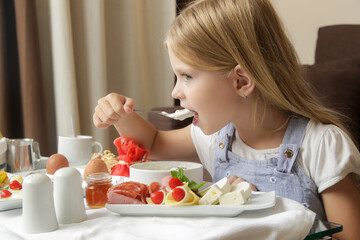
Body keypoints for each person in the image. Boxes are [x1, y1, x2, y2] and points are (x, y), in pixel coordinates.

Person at [93, 0, 360, 238]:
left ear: (241, 81)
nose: (176, 92)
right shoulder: (216, 137)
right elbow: (154, 142)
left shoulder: (321, 146)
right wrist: (121, 116)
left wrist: (268, 211)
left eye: (187, 76)